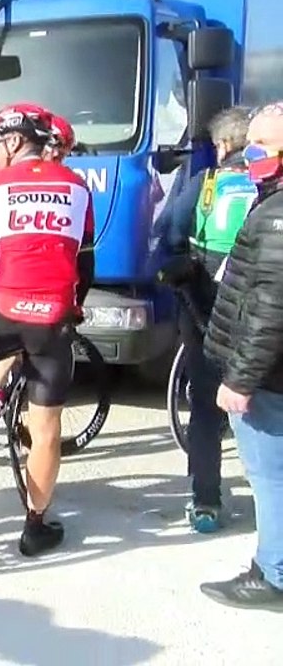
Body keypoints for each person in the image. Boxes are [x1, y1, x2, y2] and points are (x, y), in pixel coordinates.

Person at [0, 102, 94, 557]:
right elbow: (84, 265)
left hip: (1, 312)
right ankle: (35, 525)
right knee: (45, 427)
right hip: (51, 320)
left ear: (13, 141)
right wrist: (75, 306)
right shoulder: (77, 187)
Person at [200, 101, 283, 611]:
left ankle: (273, 575)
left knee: (270, 476)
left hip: (269, 377)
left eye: (257, 145)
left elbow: (270, 308)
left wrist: (240, 380)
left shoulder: (277, 214)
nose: (247, 155)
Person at [155, 106, 253, 534]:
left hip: (206, 311)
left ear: (223, 145)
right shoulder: (270, 186)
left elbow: (169, 233)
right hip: (264, 314)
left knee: (205, 408)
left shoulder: (205, 184)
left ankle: (206, 501)